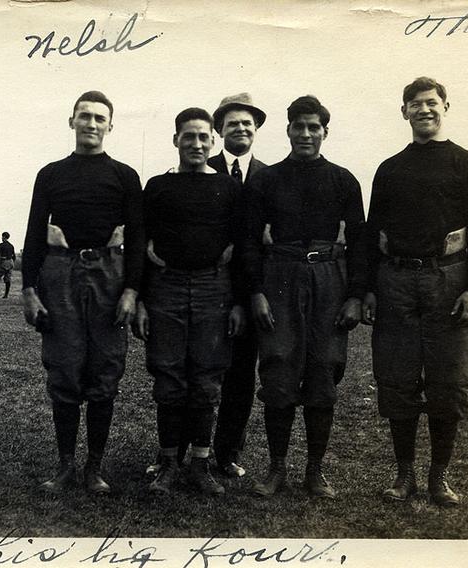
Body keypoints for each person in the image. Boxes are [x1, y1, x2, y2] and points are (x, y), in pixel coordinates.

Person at [362, 77, 468, 508]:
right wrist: (369, 289)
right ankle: (404, 476)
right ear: (404, 112)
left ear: (446, 107)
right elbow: (370, 234)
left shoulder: (466, 163)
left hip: (448, 280)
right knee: (397, 380)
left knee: (448, 381)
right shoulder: (390, 168)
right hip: (396, 281)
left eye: (431, 103)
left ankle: (439, 478)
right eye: (415, 104)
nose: (424, 110)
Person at [21, 91, 143, 495]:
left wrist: (131, 291)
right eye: (84, 117)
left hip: (109, 273)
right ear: (70, 121)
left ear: (111, 125)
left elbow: (138, 239)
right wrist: (28, 290)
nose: (91, 124)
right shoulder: (51, 174)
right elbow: (35, 233)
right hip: (60, 274)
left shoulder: (125, 176)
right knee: (65, 367)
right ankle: (65, 466)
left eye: (99, 118)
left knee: (105, 369)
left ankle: (94, 468)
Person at [246, 96, 366, 499]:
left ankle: (315, 471)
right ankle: (277, 467)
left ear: (325, 132)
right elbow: (249, 241)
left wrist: (354, 296)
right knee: (278, 366)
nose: (306, 134)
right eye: (299, 126)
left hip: (329, 277)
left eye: (314, 127)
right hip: (280, 274)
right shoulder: (266, 179)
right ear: (288, 130)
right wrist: (256, 293)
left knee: (324, 367)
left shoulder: (344, 179)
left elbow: (361, 241)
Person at [133, 107, 246, 496]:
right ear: (176, 140)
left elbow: (242, 248)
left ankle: (200, 463)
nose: (196, 143)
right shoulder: (157, 187)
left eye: (203, 137)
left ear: (213, 140)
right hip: (166, 288)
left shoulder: (231, 189)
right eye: (188, 136)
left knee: (206, 380)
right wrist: (143, 300)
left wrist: (237, 302)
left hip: (215, 289)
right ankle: (167, 463)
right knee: (168, 378)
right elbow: (141, 247)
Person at [208, 93, 268, 478]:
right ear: (219, 130)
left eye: (248, 123)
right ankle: (178, 453)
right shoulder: (201, 167)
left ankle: (227, 453)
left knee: (241, 376)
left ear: (257, 128)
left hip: (252, 294)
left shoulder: (270, 174)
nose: (241, 129)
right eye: (232, 123)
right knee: (195, 373)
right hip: (206, 288)